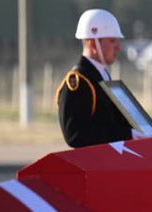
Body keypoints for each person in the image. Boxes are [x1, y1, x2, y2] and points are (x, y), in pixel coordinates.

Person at [56, 9, 138, 148]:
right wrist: (128, 134)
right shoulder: (78, 81)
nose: (118, 47)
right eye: (112, 41)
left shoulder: (102, 75)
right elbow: (75, 135)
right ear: (93, 44)